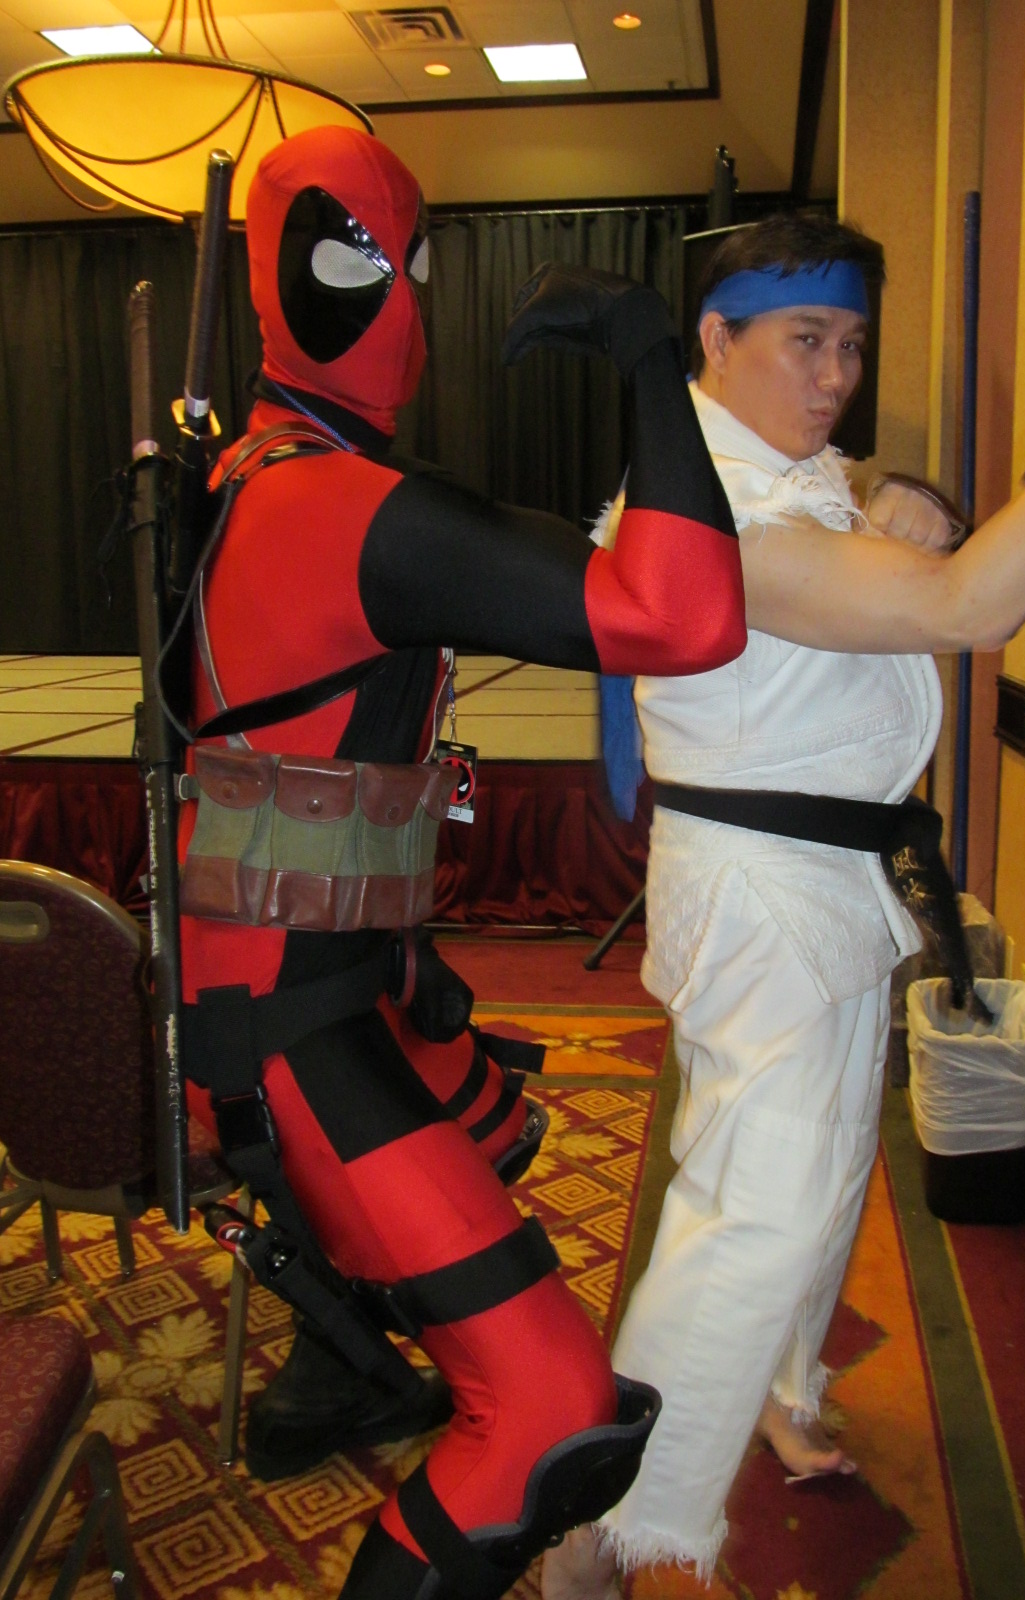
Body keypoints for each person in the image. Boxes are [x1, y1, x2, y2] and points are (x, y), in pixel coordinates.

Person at [541, 213, 1025, 1595]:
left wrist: (900, 485)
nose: (836, 375)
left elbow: (863, 504)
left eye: (850, 343)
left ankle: (781, 1390)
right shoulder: (713, 521)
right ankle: (601, 1520)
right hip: (765, 896)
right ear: (715, 341)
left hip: (826, 882)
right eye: (805, 342)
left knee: (826, 1164)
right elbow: (968, 605)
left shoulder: (781, 470)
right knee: (757, 1207)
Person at [176, 124, 753, 1600]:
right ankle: (376, 1352)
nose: (410, 298)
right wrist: (648, 358)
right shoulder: (332, 506)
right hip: (286, 1024)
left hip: (314, 977)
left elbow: (299, 765)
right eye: (396, 260)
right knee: (553, 1414)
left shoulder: (262, 468)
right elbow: (685, 616)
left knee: (498, 1128)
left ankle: (345, 1360)